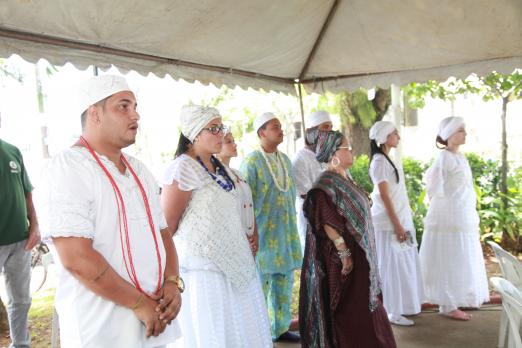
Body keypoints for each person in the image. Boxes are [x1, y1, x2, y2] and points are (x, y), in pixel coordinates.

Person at [39, 75, 182, 347]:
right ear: (95, 114)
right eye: (123, 106)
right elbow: (76, 258)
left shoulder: (139, 169)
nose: (136, 115)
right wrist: (139, 303)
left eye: (135, 106)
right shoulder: (68, 166)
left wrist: (173, 282)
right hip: (101, 328)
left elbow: (162, 233)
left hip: (153, 318)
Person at [162, 105, 272, 348]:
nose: (220, 133)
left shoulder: (219, 167)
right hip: (205, 271)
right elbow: (166, 227)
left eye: (221, 127)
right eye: (213, 129)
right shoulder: (183, 168)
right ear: (194, 133)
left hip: (237, 268)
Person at [300, 129, 396, 348]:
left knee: (366, 307)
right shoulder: (325, 185)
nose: (351, 151)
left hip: (361, 254)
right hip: (345, 261)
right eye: (347, 148)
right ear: (333, 152)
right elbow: (326, 220)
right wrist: (344, 254)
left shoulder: (344, 178)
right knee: (352, 311)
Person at [419, 116, 489, 321]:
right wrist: (444, 206)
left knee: (460, 257)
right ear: (449, 134)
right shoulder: (444, 157)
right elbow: (432, 185)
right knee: (448, 258)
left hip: (463, 213)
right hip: (449, 215)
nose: (465, 133)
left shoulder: (461, 157)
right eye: (460, 130)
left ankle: (457, 299)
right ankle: (447, 305)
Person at [240, 112, 302, 342]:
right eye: (275, 126)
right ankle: (259, 333)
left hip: (285, 234)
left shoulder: (285, 160)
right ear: (262, 132)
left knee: (283, 283)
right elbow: (244, 202)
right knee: (260, 287)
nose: (281, 130)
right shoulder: (252, 162)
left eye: (280, 126)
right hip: (263, 235)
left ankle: (280, 329)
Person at [368, 121, 423, 326]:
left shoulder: (386, 159)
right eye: (394, 133)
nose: (398, 136)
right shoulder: (379, 162)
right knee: (391, 265)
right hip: (388, 223)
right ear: (383, 137)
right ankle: (392, 310)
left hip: (398, 220)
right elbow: (384, 196)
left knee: (402, 263)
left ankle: (402, 306)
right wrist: (397, 225)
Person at [0, 112, 40, 348]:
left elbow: (27, 193)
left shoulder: (13, 151)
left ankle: (21, 345)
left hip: (20, 241)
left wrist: (34, 225)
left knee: (22, 300)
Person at [292, 110, 333, 253]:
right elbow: (307, 195)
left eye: (331, 127)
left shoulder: (330, 155)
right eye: (326, 127)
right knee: (316, 265)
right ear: (311, 131)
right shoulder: (300, 159)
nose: (330, 132)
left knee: (338, 263)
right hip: (313, 221)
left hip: (333, 221)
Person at [216, 131, 259, 256]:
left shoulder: (238, 173)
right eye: (229, 142)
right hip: (234, 240)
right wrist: (241, 237)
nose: (234, 144)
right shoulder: (216, 178)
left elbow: (249, 205)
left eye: (233, 141)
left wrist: (255, 234)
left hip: (250, 238)